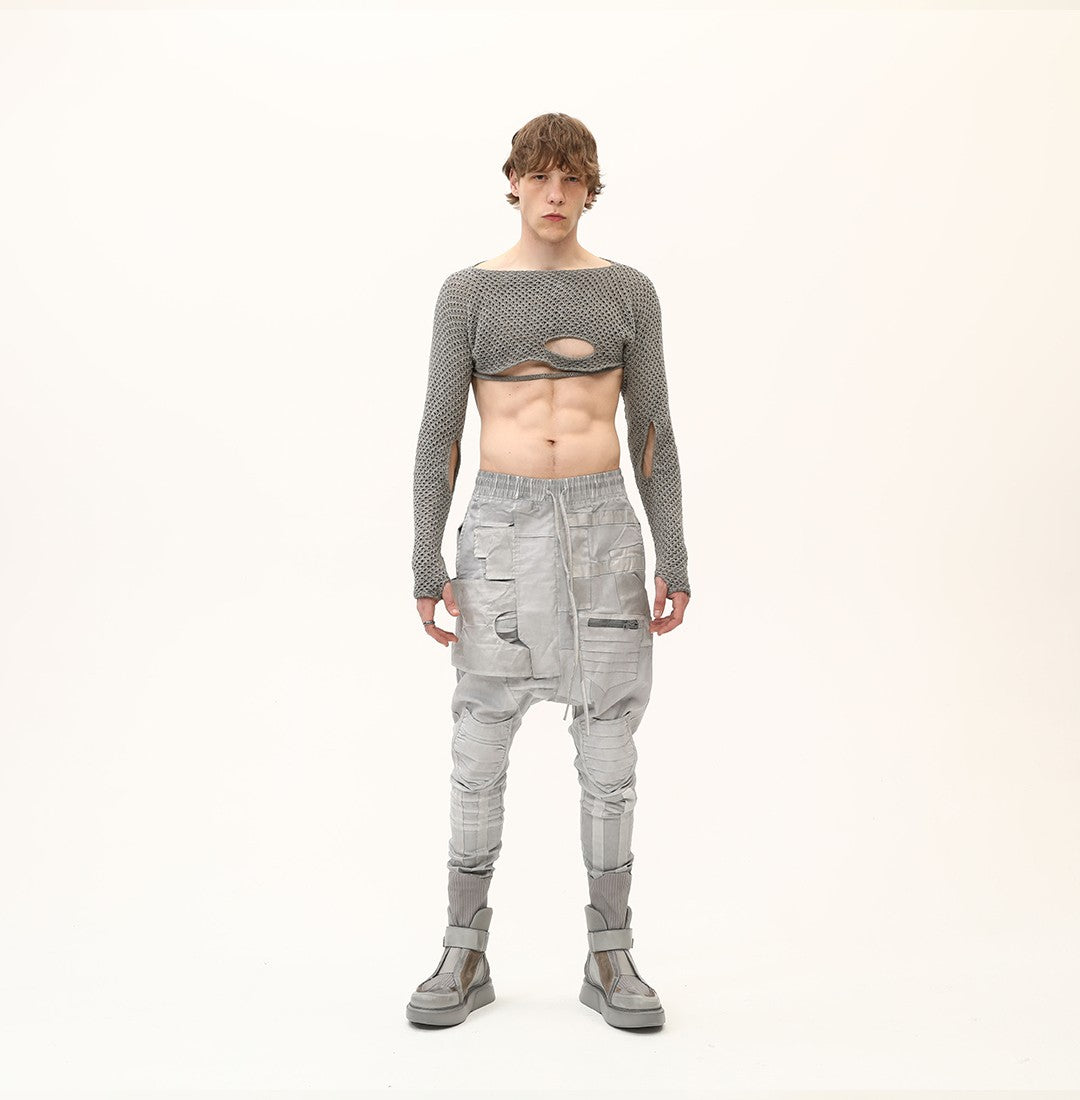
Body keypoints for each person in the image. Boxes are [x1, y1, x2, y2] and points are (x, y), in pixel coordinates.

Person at [406, 112, 690, 1030]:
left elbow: (652, 432)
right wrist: (424, 557)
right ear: (515, 183)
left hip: (605, 530)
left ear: (591, 189)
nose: (555, 194)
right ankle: (464, 949)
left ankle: (612, 955)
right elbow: (440, 433)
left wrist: (674, 550)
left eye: (572, 179)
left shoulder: (628, 292)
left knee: (609, 747)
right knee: (479, 742)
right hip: (501, 529)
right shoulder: (468, 293)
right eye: (540, 177)